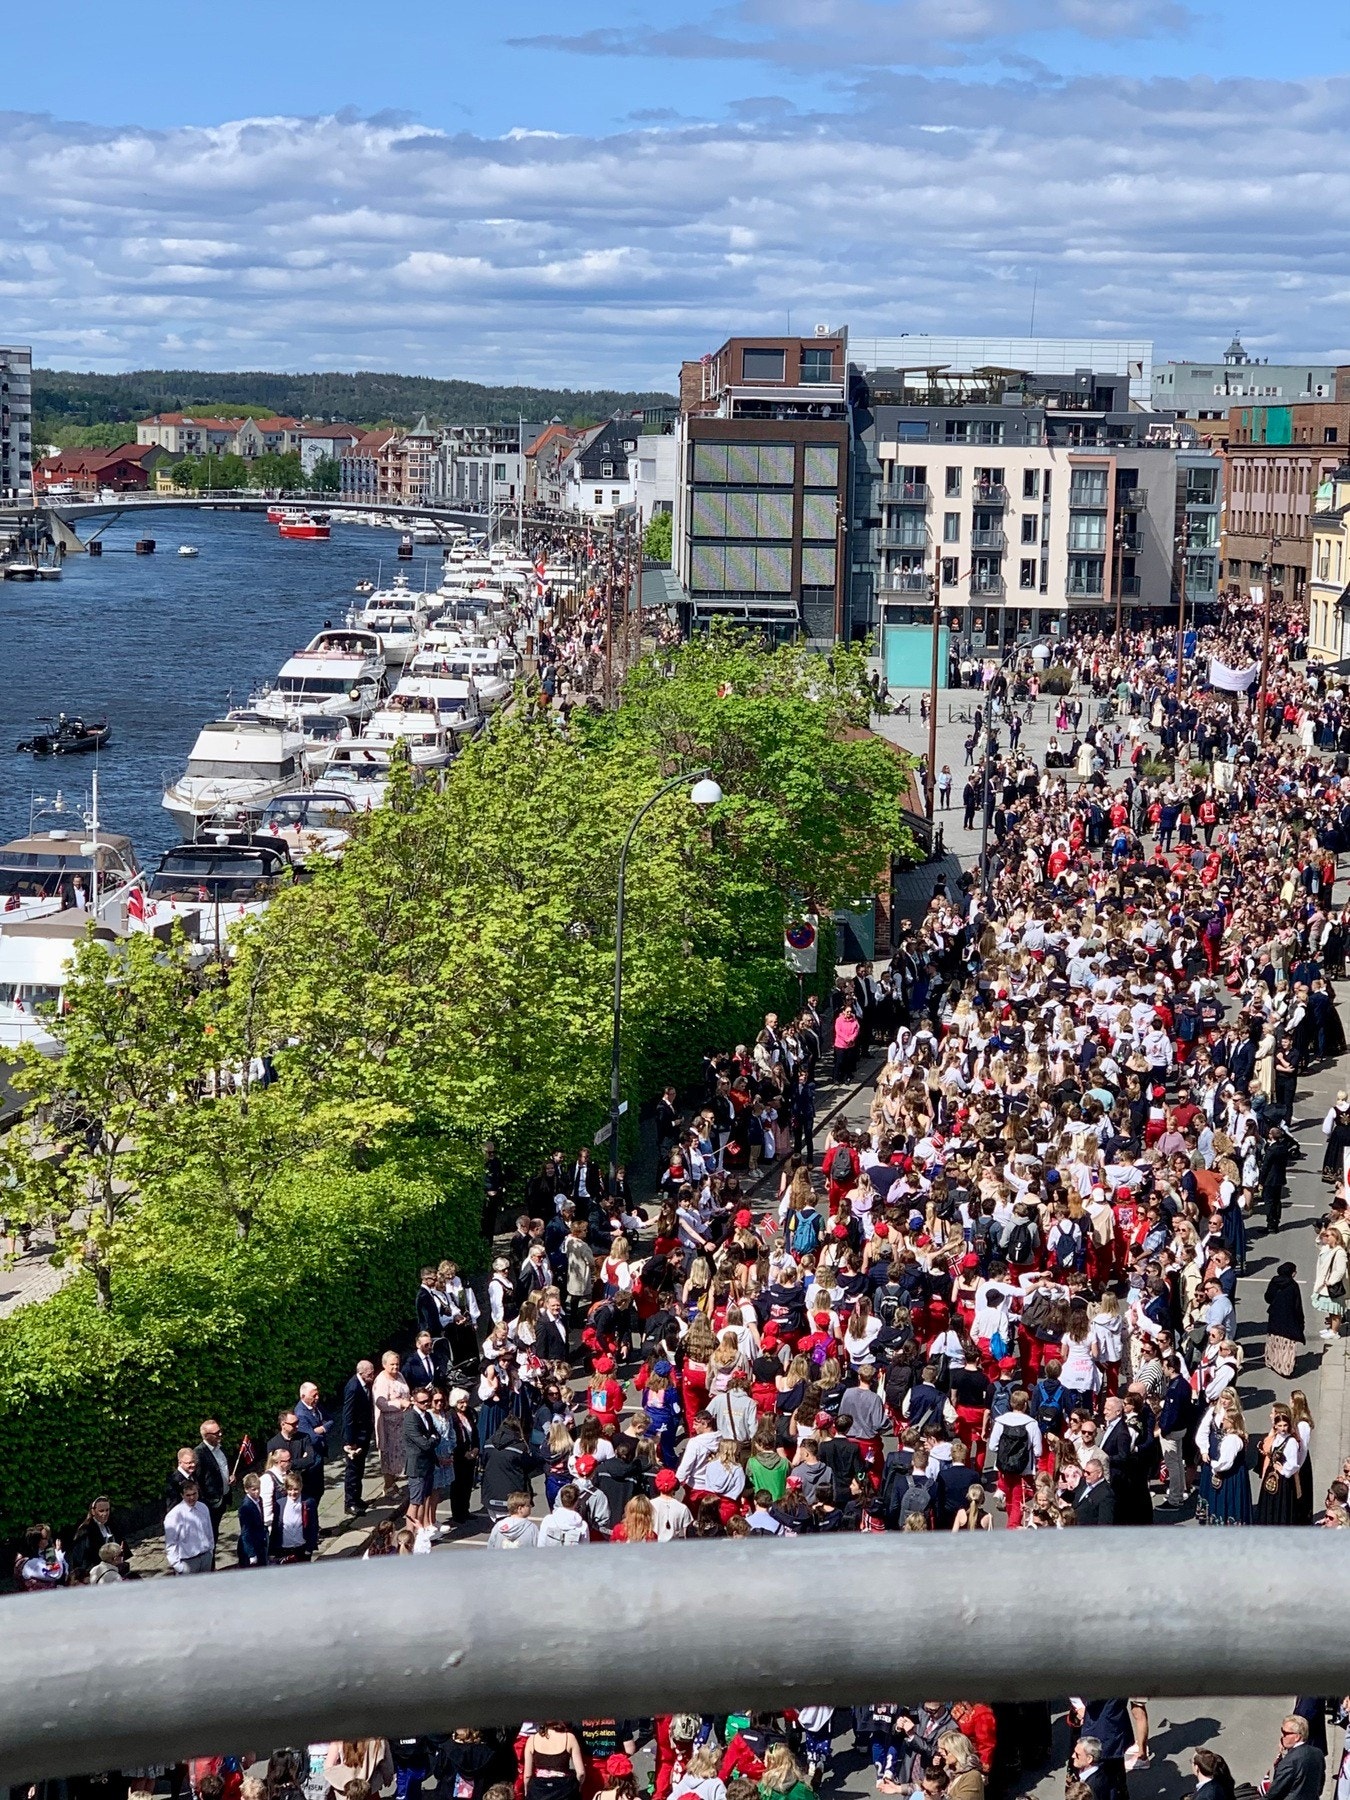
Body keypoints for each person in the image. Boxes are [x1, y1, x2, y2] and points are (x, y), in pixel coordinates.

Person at [1258, 1715, 1324, 1800]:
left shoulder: (1289, 1761)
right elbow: (1320, 1786)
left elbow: (1274, 1793)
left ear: (1297, 1737)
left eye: (1285, 1733)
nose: (1282, 1736)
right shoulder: (1317, 1753)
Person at [373, 1348, 411, 1496]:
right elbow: (381, 1404)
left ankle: (393, 1483)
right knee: (389, 1457)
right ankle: (388, 1487)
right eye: (392, 1365)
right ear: (384, 1365)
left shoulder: (400, 1375)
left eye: (397, 1364)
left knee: (400, 1456)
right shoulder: (381, 1381)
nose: (395, 1368)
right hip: (389, 1427)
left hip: (402, 1424)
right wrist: (400, 1403)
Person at [69, 1496, 131, 1584]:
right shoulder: (85, 1530)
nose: (105, 1513)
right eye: (101, 1511)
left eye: (107, 1510)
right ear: (93, 1511)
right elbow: (80, 1558)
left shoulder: (112, 1525)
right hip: (96, 1572)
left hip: (114, 1567)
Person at [341, 1359, 376, 1516]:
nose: (372, 1376)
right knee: (353, 1470)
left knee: (360, 1468)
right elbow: (348, 1416)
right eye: (370, 1374)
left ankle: (357, 1498)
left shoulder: (364, 1385)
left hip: (364, 1434)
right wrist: (351, 1441)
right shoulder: (353, 1387)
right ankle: (350, 1502)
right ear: (361, 1373)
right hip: (355, 1437)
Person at [1264, 1263, 1306, 1378]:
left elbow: (1268, 1297)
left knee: (1274, 1341)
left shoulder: (1274, 1281)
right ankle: (1285, 1368)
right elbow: (1297, 1305)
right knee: (1286, 1345)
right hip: (1289, 1318)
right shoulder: (1293, 1286)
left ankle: (1272, 1361)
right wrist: (1301, 1322)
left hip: (1275, 1316)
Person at [164, 1481, 215, 1575]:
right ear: (182, 1495)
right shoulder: (174, 1516)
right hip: (187, 1562)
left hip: (205, 1558)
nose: (192, 1498)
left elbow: (209, 1531)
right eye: (188, 1495)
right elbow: (171, 1543)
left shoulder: (203, 1508)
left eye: (194, 1494)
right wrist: (178, 1566)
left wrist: (210, 1551)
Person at [237, 1472, 268, 1568]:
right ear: (246, 1489)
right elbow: (245, 1533)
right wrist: (251, 1554)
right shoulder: (245, 1507)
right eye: (253, 1489)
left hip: (260, 1544)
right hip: (250, 1548)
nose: (257, 1492)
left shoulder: (259, 1500)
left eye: (258, 1488)